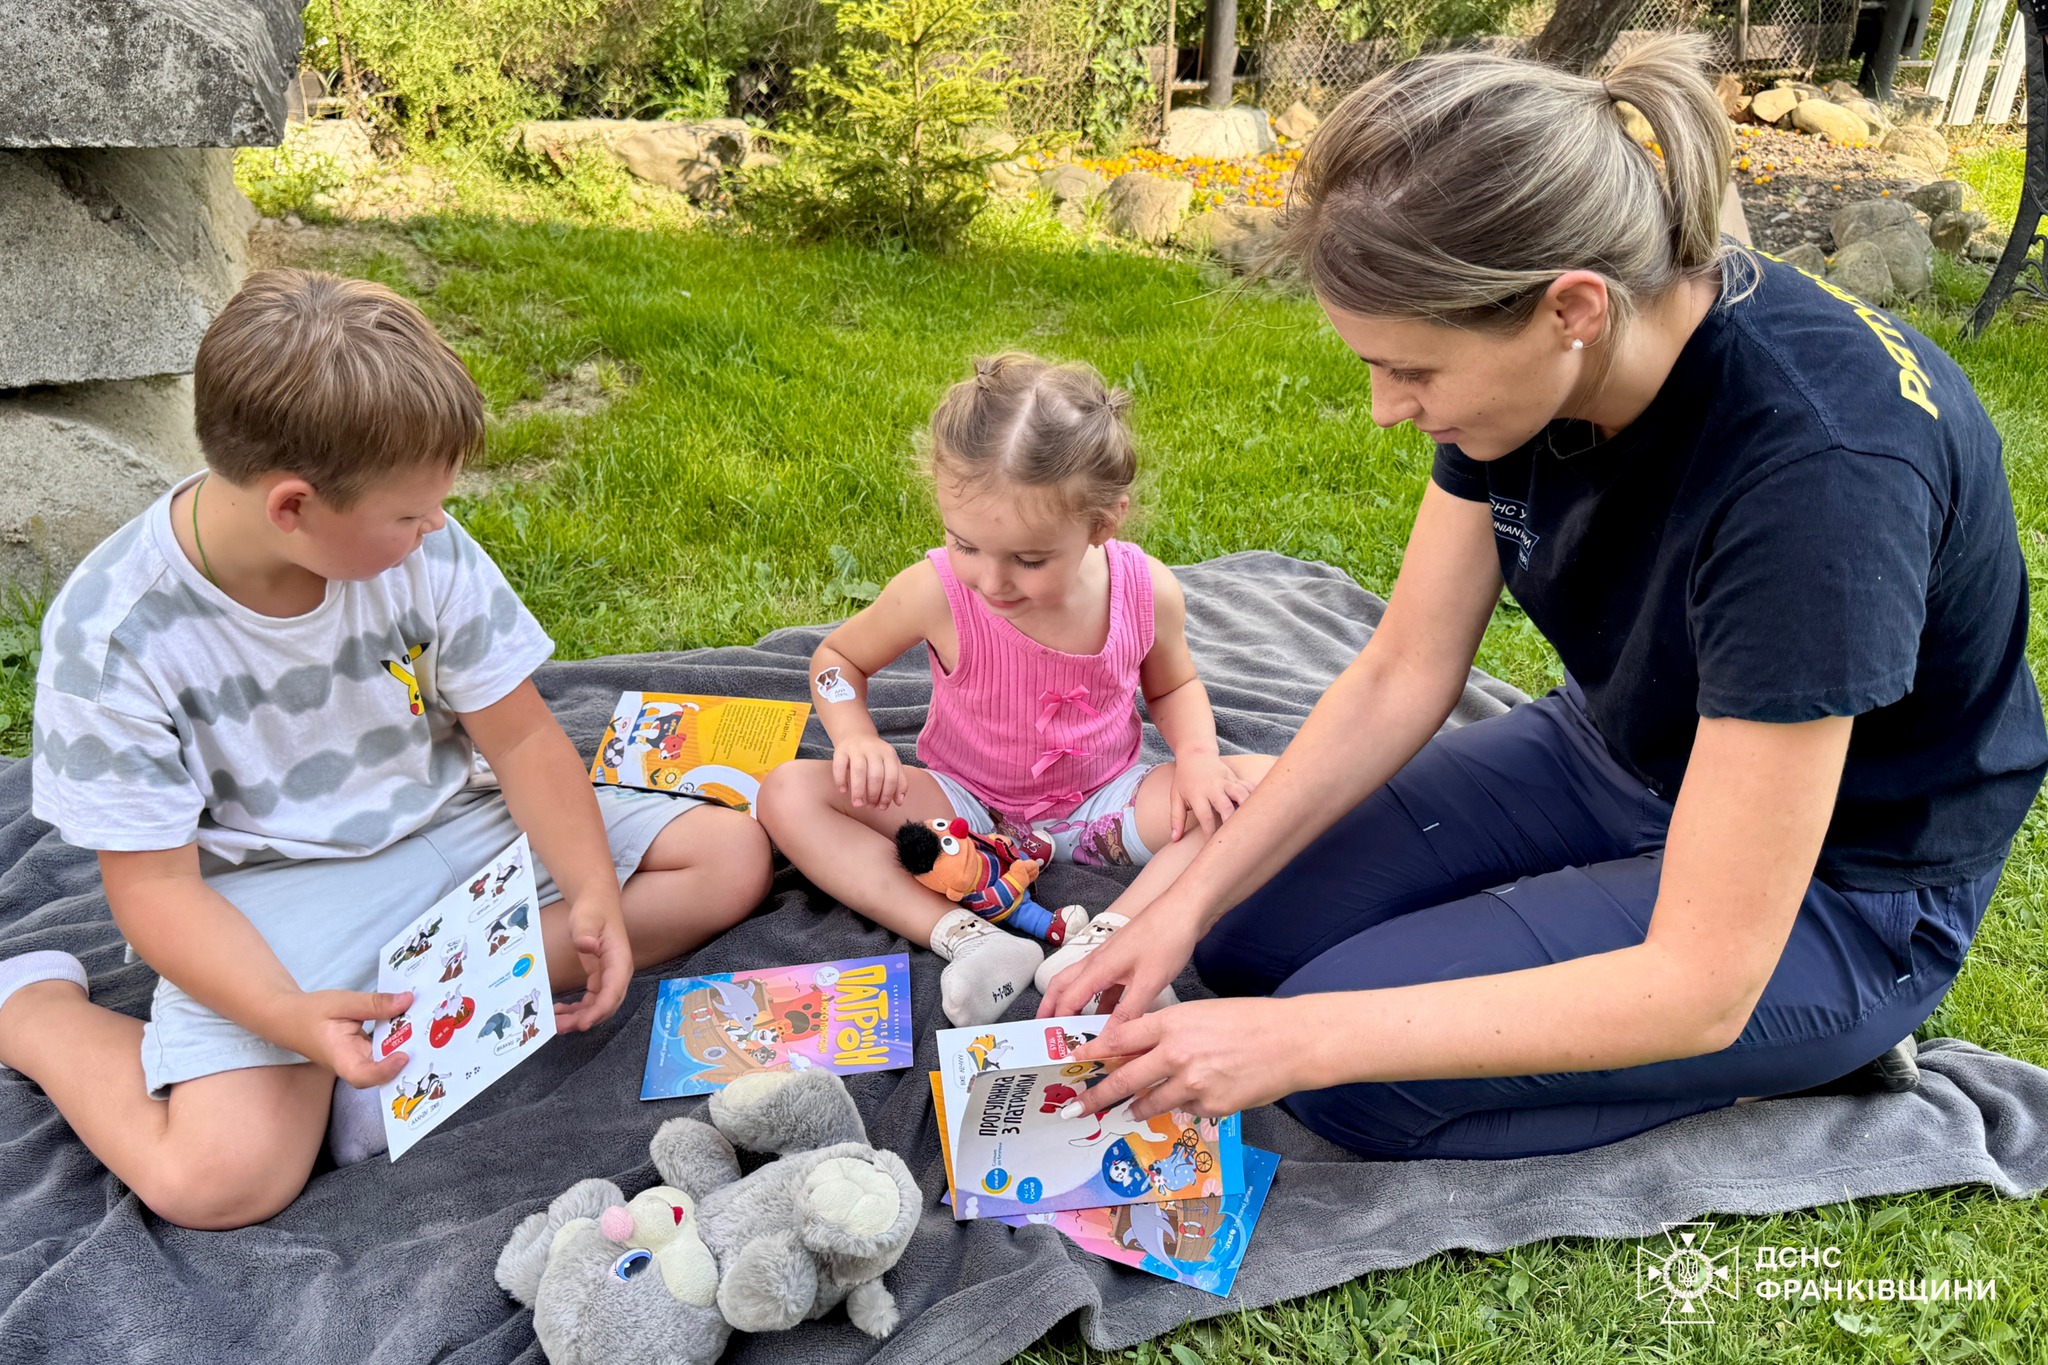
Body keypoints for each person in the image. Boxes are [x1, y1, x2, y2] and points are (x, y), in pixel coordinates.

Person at [1041, 37, 2048, 1159]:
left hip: (1845, 882)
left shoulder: (1821, 478)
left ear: (1571, 309)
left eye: (1412, 370)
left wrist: (1302, 1041)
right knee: (1236, 938)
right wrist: (1177, 905)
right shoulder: (1541, 356)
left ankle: (1817, 1049)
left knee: (1349, 1080)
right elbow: (1403, 669)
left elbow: (1701, 978)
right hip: (1621, 751)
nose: (1384, 408)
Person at [0, 270, 774, 1226]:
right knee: (218, 1180)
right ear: (292, 507)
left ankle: (407, 1032)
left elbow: (523, 736)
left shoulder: (418, 546)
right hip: (273, 900)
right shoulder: (116, 638)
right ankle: (36, 1013)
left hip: (459, 830)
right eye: (409, 514)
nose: (435, 526)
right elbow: (155, 890)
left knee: (728, 856)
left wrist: (590, 890)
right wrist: (285, 1015)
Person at [758, 354, 1275, 1027]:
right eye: (965, 544)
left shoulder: (1146, 590)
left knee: (1265, 786)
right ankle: (970, 939)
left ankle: (1107, 942)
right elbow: (835, 661)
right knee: (787, 792)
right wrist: (854, 735)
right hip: (963, 811)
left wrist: (1199, 757)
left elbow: (1174, 684)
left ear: (1103, 523)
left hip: (1106, 807)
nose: (992, 580)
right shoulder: (937, 592)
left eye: (1029, 560)